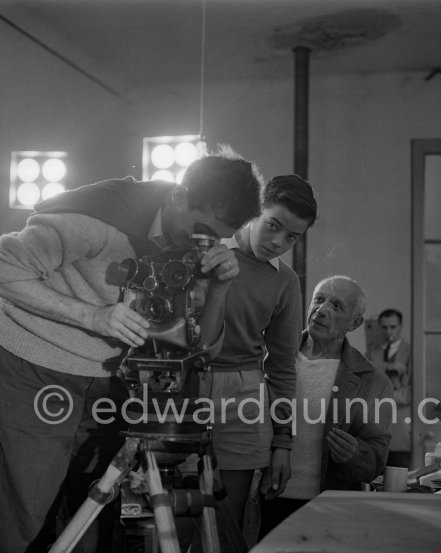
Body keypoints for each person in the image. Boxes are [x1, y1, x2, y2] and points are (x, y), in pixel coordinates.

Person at [0, 146, 263, 553]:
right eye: (203, 228)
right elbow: (5, 266)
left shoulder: (189, 248)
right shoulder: (97, 220)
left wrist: (219, 289)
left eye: (218, 236)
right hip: (35, 368)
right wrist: (94, 317)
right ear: (178, 196)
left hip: (109, 382)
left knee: (93, 516)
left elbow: (201, 349)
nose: (205, 241)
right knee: (24, 515)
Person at [207, 174, 318, 530]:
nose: (278, 241)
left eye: (292, 236)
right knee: (176, 517)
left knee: (228, 522)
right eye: (273, 225)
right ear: (255, 211)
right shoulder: (207, 253)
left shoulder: (286, 282)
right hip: (185, 383)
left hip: (246, 395)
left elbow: (284, 366)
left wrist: (283, 441)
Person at [259, 275, 393, 537]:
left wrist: (355, 453)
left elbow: (376, 459)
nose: (322, 310)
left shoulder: (372, 381)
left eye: (336, 305)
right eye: (318, 300)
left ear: (355, 323)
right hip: (262, 499)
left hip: (326, 510)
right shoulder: (270, 357)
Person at [368, 309, 411, 468]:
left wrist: (381, 397)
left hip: (401, 431)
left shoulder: (412, 352)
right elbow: (365, 383)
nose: (388, 332)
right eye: (384, 327)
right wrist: (388, 367)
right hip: (375, 430)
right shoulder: (372, 353)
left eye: (392, 327)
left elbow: (412, 393)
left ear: (401, 326)